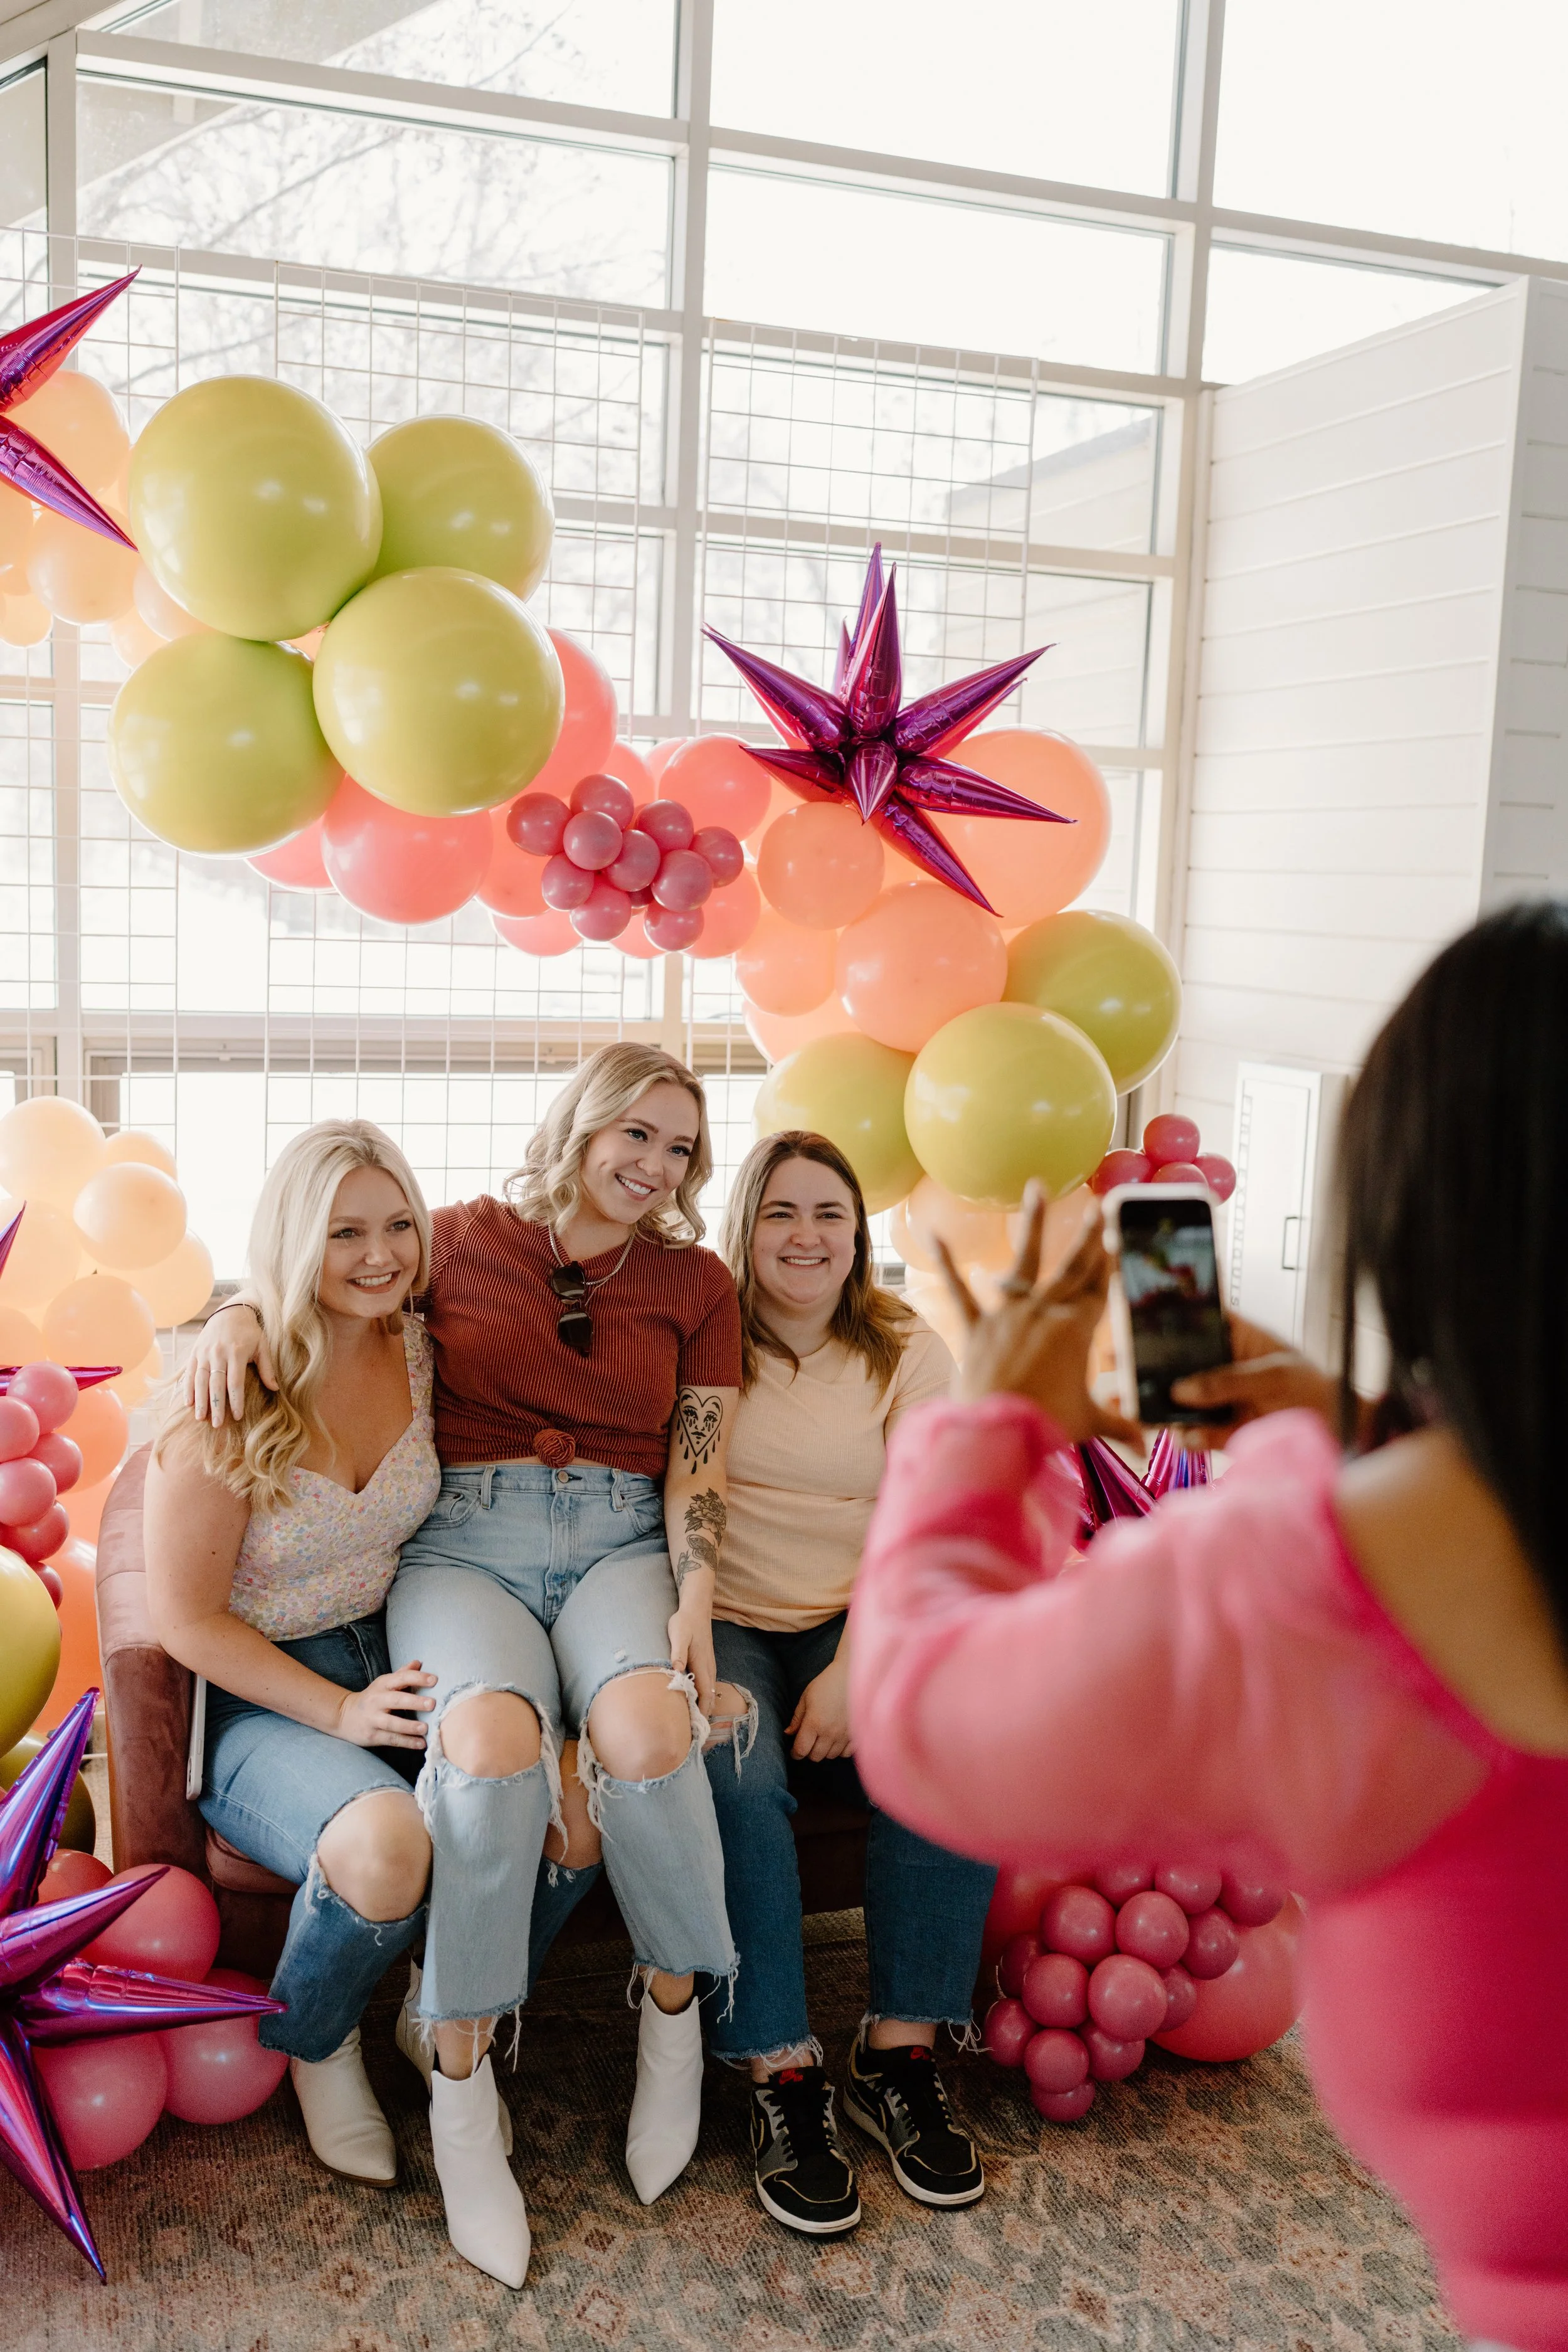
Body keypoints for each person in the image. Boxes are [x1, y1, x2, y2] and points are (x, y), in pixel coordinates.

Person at [849, 901, 1568, 2352]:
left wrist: (987, 1426)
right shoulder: (1340, 1513)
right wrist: (1349, 1435)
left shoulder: (1312, 1564)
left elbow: (923, 1720)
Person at [181, 1044, 743, 2287]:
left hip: (618, 1539)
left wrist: (696, 1591)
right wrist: (228, 1310)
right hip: (466, 1544)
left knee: (648, 1740)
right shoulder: (448, 1242)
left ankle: (671, 2020)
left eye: (681, 1148)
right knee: (489, 1756)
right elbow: (322, 1277)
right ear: (581, 1122)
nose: (654, 1166)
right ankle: (458, 2078)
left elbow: (699, 1456)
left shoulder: (697, 1283)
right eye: (635, 1134)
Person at [145, 1122, 450, 2191]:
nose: (379, 1253)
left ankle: (444, 2014)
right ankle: (316, 2039)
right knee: (386, 1842)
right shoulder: (232, 1385)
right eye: (343, 1232)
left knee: (548, 1793)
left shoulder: (424, 1339)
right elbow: (185, 1619)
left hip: (400, 1640)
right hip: (260, 1686)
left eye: (398, 1222)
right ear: (291, 1239)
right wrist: (336, 1712)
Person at [700, 1131, 993, 2237]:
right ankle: (780, 2069)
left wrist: (857, 1665)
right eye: (782, 1211)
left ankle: (898, 2053)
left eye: (830, 1213)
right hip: (725, 1617)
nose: (807, 1235)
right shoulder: (702, 1333)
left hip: (860, 1612)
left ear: (859, 1233)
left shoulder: (907, 1346)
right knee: (735, 1777)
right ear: (746, 1226)